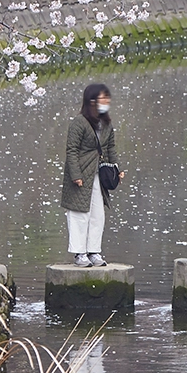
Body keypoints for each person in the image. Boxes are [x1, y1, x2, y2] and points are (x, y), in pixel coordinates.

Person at [63, 84, 117, 268]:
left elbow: (110, 148)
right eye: (103, 99)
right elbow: (71, 150)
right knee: (79, 214)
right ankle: (80, 253)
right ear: (92, 101)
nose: (106, 103)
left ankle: (94, 251)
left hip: (98, 176)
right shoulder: (79, 122)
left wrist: (116, 169)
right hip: (82, 174)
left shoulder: (107, 123)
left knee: (97, 215)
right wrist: (75, 174)